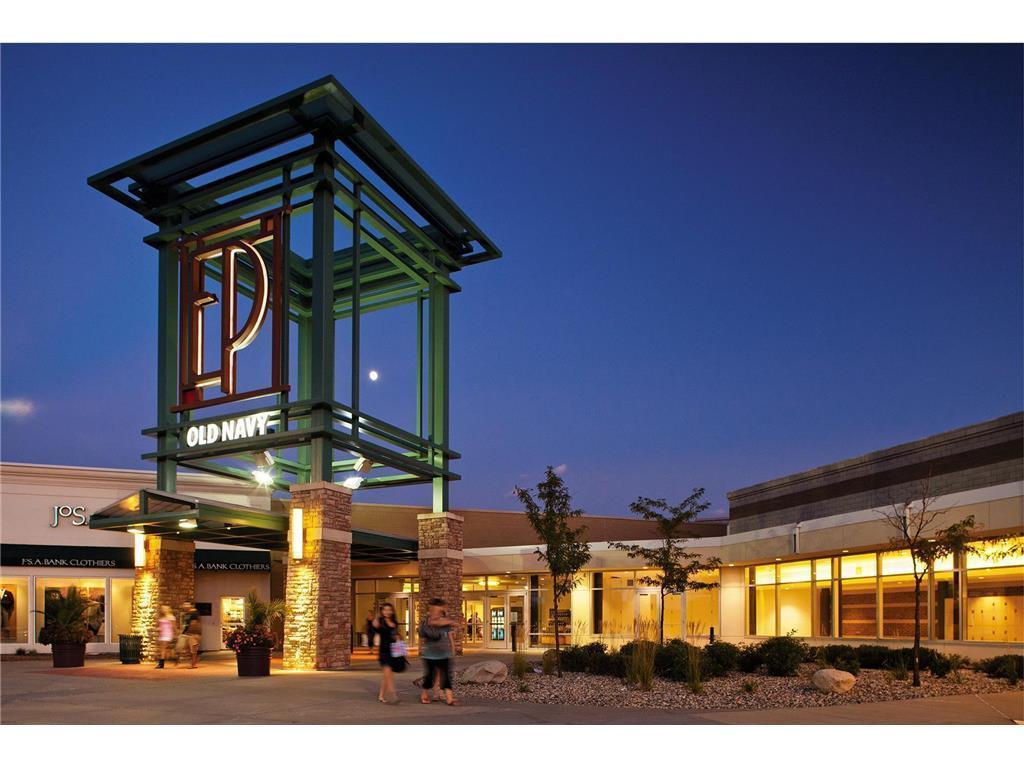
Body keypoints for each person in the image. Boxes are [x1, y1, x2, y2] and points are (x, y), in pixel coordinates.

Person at [418, 599, 458, 706]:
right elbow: (432, 624)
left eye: (439, 611)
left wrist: (452, 648)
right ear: (430, 610)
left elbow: (449, 634)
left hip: (444, 654)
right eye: (434, 611)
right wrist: (451, 622)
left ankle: (449, 698)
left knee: (447, 676)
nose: (437, 613)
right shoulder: (426, 622)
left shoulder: (445, 622)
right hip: (430, 655)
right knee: (429, 677)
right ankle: (424, 694)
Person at [372, 602, 404, 703]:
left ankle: (381, 695)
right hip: (384, 651)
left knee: (387, 674)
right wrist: (377, 616)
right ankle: (392, 693)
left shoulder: (394, 622)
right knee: (388, 672)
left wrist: (398, 638)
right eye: (385, 610)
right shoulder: (380, 621)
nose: (387, 612)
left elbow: (396, 635)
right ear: (382, 611)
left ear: (392, 611)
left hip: (393, 650)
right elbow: (374, 625)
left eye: (389, 609)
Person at [176, 602, 201, 669]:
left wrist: (193, 633)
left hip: (193, 633)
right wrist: (182, 632)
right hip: (187, 633)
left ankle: (193, 664)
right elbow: (185, 624)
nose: (185, 606)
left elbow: (194, 623)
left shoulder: (194, 613)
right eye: (184, 604)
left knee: (193, 649)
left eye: (187, 604)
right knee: (188, 649)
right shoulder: (186, 614)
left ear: (191, 605)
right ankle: (195, 660)